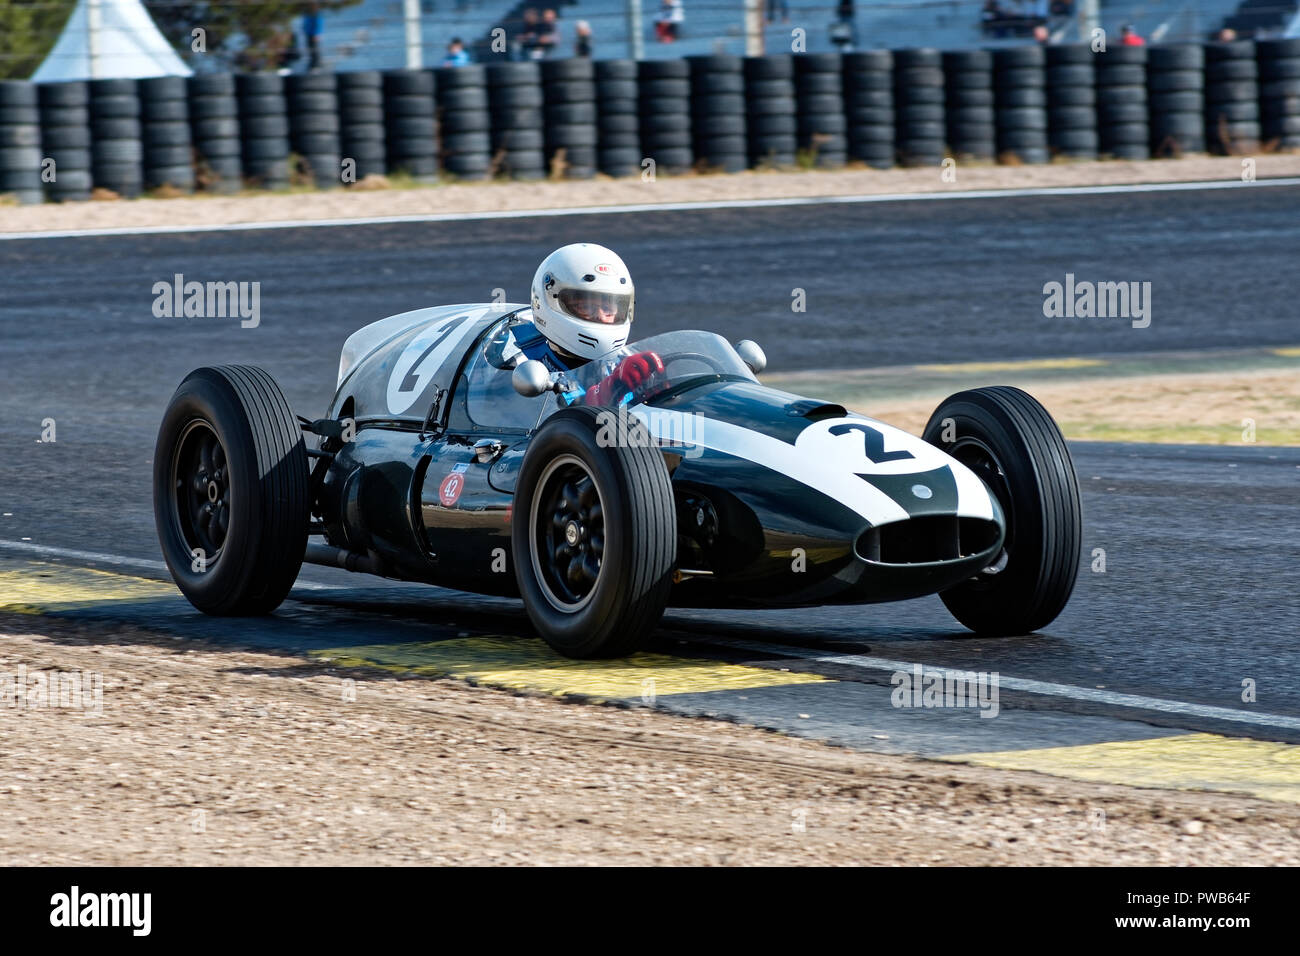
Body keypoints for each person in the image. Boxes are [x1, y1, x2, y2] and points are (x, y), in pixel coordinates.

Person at [486, 244, 664, 408]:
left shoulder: (623, 362)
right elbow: (510, 413)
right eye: (586, 306)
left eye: (609, 308)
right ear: (549, 301)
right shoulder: (514, 354)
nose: (601, 316)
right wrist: (607, 392)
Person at [303, 3, 324, 71]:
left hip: (313, 34)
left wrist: (317, 34)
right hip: (308, 34)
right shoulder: (307, 14)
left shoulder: (316, 14)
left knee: (315, 49)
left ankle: (316, 64)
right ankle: (312, 63)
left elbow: (318, 24)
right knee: (310, 49)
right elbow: (306, 23)